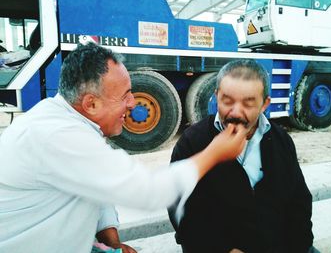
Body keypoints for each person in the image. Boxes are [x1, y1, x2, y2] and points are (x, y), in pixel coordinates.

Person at [0, 43, 248, 253]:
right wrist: (214, 153)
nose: (132, 103)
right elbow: (148, 190)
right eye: (125, 95)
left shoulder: (72, 123)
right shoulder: (58, 136)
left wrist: (109, 236)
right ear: (91, 104)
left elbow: (94, 181)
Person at [168, 59, 316, 253]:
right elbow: (181, 211)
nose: (236, 112)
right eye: (227, 101)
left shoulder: (281, 141)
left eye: (248, 103)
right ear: (216, 97)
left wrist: (299, 246)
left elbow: (299, 202)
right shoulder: (192, 142)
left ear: (264, 104)